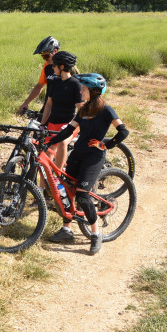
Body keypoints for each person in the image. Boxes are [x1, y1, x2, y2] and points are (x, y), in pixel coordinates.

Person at [43, 73, 129, 254]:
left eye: (83, 88)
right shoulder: (83, 110)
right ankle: (67, 229)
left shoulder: (106, 109)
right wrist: (49, 141)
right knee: (66, 190)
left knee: (82, 196)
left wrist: (105, 144)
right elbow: (68, 131)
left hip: (93, 158)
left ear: (94, 91)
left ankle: (96, 234)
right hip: (78, 154)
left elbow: (123, 132)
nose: (80, 91)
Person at [40, 51, 83, 172]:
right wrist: (43, 124)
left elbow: (81, 109)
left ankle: (57, 178)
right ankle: (43, 188)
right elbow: (49, 104)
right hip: (53, 124)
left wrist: (71, 126)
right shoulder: (55, 82)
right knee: (45, 158)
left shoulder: (75, 84)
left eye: (54, 65)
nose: (52, 67)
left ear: (62, 67)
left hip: (69, 125)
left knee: (62, 143)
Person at [17, 36, 59, 117]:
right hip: (47, 107)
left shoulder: (68, 67)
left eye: (46, 56)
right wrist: (26, 103)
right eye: (43, 57)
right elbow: (40, 86)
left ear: (55, 51)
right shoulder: (47, 66)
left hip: (62, 110)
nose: (45, 59)